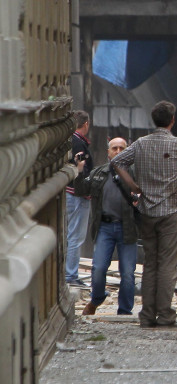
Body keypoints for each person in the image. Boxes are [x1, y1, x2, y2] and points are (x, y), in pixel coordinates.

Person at [111, 100, 177, 327]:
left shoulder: (140, 144)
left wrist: (133, 186)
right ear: (173, 121)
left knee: (151, 263)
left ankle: (147, 315)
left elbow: (117, 162)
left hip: (147, 211)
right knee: (167, 264)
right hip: (172, 212)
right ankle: (165, 314)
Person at [73, 137, 138, 315]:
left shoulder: (135, 174)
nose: (118, 151)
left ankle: (124, 310)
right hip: (105, 228)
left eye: (121, 148)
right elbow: (80, 190)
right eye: (114, 148)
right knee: (98, 268)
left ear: (128, 151)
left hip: (128, 228)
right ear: (108, 152)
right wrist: (79, 171)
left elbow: (147, 195)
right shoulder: (99, 173)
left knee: (127, 274)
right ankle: (97, 298)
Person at [65, 110, 93, 286]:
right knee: (76, 236)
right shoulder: (79, 144)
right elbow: (81, 170)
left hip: (69, 193)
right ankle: (70, 275)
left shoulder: (70, 141)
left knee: (70, 234)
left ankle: (69, 273)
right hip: (78, 195)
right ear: (86, 124)